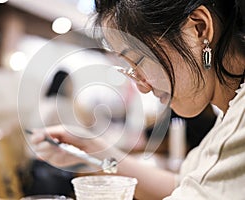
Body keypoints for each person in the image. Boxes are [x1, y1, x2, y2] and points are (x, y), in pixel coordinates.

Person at [30, 0, 245, 199]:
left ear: (199, 29)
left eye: (140, 60)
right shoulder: (229, 116)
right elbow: (180, 185)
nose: (142, 87)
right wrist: (90, 148)